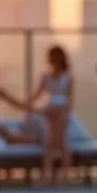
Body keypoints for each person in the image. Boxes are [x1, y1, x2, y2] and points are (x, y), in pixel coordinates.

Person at [25, 46, 73, 185]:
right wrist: (27, 102)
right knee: (49, 143)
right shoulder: (46, 77)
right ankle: (48, 174)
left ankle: (65, 174)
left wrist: (67, 115)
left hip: (61, 110)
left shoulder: (67, 77)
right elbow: (38, 94)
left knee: (62, 144)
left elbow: (69, 98)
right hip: (50, 111)